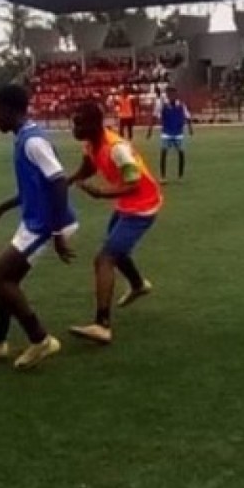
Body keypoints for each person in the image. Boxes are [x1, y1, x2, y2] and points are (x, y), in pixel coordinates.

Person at [0, 85, 77, 370]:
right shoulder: (24, 138)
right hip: (35, 222)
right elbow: (33, 188)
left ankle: (40, 340)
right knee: (6, 281)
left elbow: (59, 181)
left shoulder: (32, 142)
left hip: (45, 225)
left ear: (7, 109)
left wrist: (57, 232)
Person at [67, 101, 161, 345]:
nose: (74, 129)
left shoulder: (117, 149)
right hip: (127, 205)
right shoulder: (91, 143)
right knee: (115, 249)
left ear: (94, 124)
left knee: (105, 259)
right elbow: (89, 166)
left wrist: (100, 193)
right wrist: (69, 180)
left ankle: (102, 325)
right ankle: (138, 285)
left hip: (142, 207)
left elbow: (134, 184)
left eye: (79, 124)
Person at [146, 85, 193, 182]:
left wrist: (190, 128)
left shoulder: (181, 104)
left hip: (178, 132)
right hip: (166, 132)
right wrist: (150, 130)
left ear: (176, 94)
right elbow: (154, 116)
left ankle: (180, 176)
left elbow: (187, 116)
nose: (171, 96)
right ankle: (163, 176)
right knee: (164, 152)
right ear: (167, 95)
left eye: (173, 94)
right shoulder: (162, 104)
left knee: (181, 153)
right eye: (169, 94)